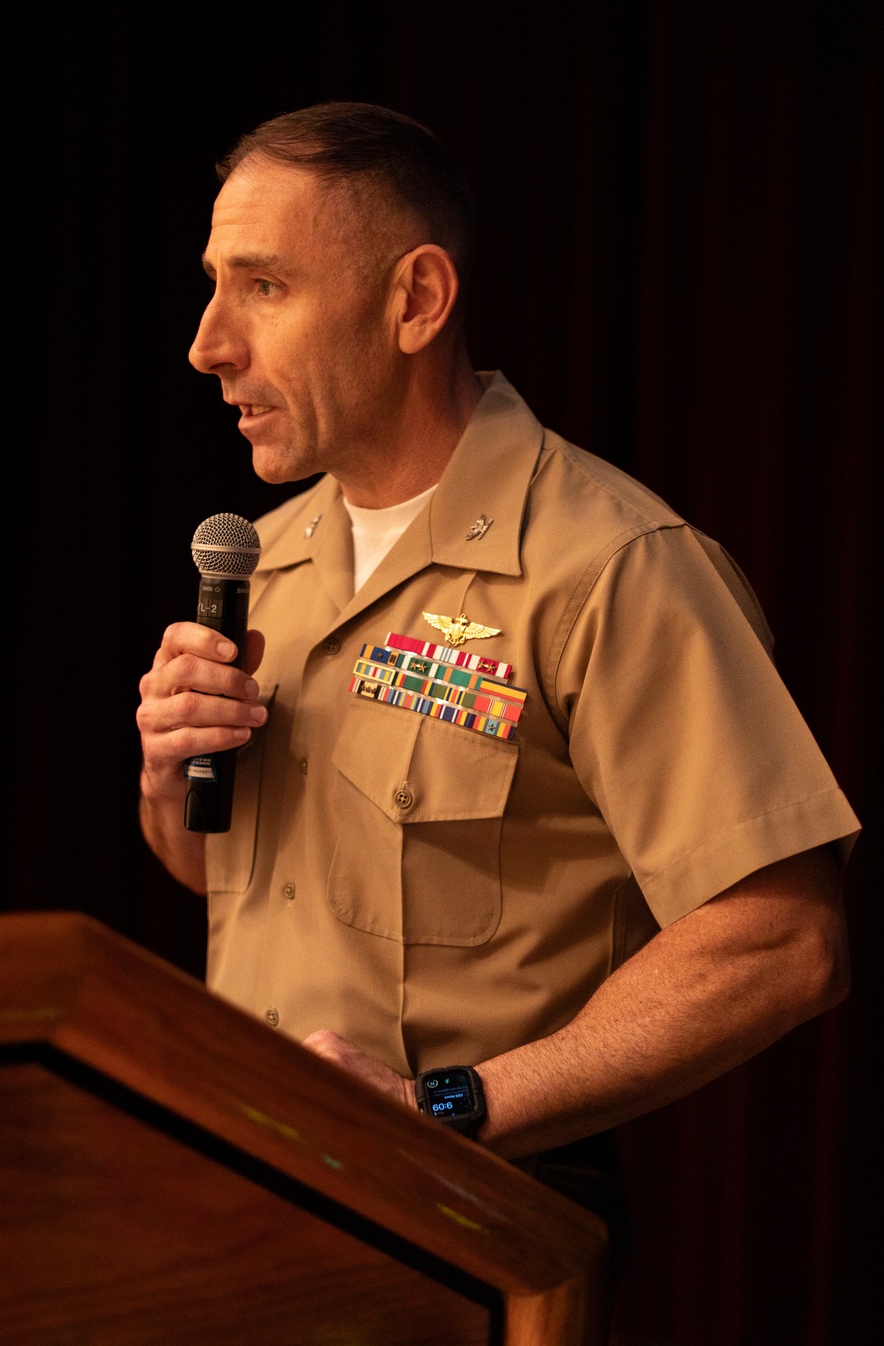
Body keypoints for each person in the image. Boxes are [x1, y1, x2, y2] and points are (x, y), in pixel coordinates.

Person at [136, 103, 857, 1197]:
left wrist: (451, 1109)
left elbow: (779, 942)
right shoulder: (263, 563)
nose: (208, 343)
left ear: (415, 301)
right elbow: (232, 885)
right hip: (250, 1188)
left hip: (468, 1212)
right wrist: (164, 777)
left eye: (265, 287)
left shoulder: (610, 566)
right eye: (214, 283)